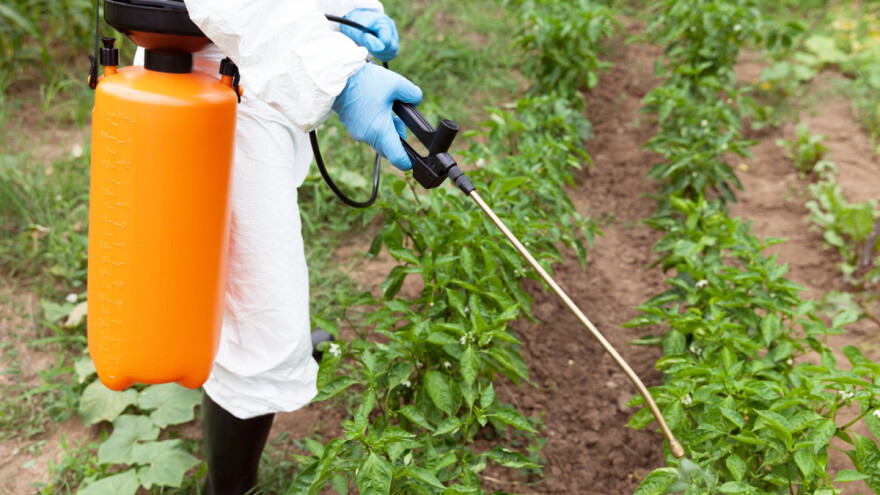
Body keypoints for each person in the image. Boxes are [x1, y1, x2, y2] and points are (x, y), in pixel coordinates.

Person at [133, 1, 422, 493]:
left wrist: (347, 10)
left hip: (263, 64)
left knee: (254, 258)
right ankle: (228, 487)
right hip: (214, 72)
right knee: (261, 314)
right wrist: (341, 76)